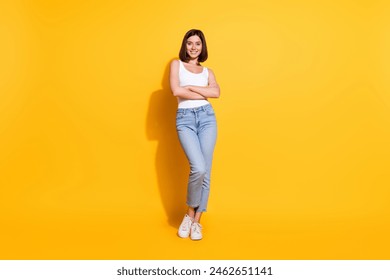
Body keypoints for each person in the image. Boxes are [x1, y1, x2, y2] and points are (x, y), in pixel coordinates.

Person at [169, 29, 220, 240]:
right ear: (185, 45)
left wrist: (188, 86)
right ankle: (189, 214)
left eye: (197, 44)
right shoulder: (176, 65)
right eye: (190, 43)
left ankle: (196, 221)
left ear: (203, 46)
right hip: (186, 119)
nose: (193, 47)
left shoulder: (209, 72)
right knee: (197, 167)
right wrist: (200, 90)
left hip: (207, 118)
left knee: (206, 172)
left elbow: (216, 93)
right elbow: (176, 91)